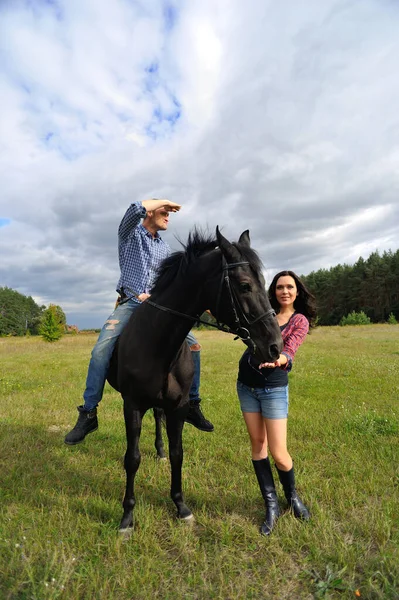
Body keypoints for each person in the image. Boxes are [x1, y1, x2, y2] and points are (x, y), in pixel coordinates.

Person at [64, 198, 214, 445]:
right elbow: (134, 209)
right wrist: (162, 201)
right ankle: (89, 412)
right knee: (101, 350)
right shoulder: (130, 235)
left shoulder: (164, 249)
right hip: (130, 302)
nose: (168, 217)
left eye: (168, 213)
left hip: (159, 308)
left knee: (194, 346)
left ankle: (192, 405)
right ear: (152, 212)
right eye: (164, 212)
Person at [236, 270, 316, 535]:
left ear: (297, 291)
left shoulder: (299, 320)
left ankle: (292, 498)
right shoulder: (263, 311)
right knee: (258, 445)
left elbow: (290, 349)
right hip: (246, 385)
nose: (284, 291)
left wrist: (280, 359)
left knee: (279, 453)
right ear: (273, 290)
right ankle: (271, 503)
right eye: (280, 287)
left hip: (273, 388)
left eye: (289, 287)